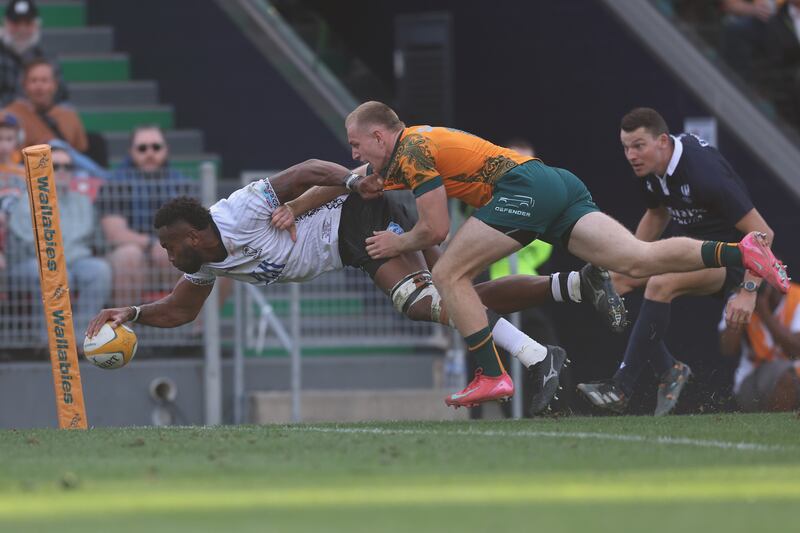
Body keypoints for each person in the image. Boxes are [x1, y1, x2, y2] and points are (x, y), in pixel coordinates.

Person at [339, 101, 788, 410]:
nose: (355, 153)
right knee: (635, 259)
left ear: (380, 136)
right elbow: (351, 179)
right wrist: (303, 201)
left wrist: (397, 244)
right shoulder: (403, 153)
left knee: (450, 275)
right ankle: (740, 250)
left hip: (523, 190)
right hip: (557, 183)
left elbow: (435, 230)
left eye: (358, 145)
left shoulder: (411, 150)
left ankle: (493, 374)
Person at [87, 160, 623, 413]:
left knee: (421, 303)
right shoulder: (202, 264)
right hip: (351, 246)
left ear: (197, 236)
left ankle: (541, 345)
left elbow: (303, 171)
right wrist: (131, 314)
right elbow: (181, 312)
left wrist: (351, 181)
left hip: (361, 216)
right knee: (457, 297)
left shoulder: (239, 211)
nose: (164, 252)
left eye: (168, 243)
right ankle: (570, 294)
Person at [577, 107, 781, 416]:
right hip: (692, 252)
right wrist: (628, 259)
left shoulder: (703, 174)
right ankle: (669, 369)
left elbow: (763, 234)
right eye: (625, 147)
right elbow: (657, 214)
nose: (631, 155)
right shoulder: (651, 172)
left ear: (662, 141)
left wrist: (748, 291)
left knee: (660, 282)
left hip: (732, 262)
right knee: (614, 285)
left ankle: (620, 388)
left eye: (638, 146)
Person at [6, 146, 111, 346]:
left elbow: (98, 241)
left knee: (100, 270)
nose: (63, 171)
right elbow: (22, 246)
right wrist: (56, 264)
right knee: (53, 274)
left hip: (75, 261)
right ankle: (48, 340)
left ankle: (82, 337)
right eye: (56, 166)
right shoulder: (26, 201)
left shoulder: (83, 202)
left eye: (67, 166)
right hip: (31, 263)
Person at [98, 125, 193, 306]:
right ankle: (126, 329)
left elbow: (192, 229)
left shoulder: (182, 184)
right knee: (129, 255)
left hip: (170, 260)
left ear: (166, 150)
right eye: (142, 148)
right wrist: (153, 244)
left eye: (156, 147)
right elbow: (115, 234)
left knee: (212, 257)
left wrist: (169, 247)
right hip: (130, 261)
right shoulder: (115, 185)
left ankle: (197, 331)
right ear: (130, 152)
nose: (150, 153)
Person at [720, 282, 800, 412]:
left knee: (787, 372)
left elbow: (796, 350)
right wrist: (740, 312)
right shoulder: (740, 299)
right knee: (784, 376)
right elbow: (728, 348)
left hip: (796, 373)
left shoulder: (796, 297)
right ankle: (776, 428)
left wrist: (764, 311)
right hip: (753, 379)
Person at [4, 58, 87, 151]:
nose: (39, 86)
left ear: (55, 85)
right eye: (33, 80)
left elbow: (81, 150)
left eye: (44, 80)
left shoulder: (69, 116)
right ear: (24, 85)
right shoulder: (9, 115)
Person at [0, 0, 68, 106]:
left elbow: (61, 94)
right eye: (16, 23)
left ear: (36, 25)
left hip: (39, 115)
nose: (22, 29)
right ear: (6, 24)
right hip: (4, 116)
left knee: (66, 109)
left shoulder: (46, 57)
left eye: (27, 23)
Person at [0, 110, 24, 272]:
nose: (3, 145)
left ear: (18, 141)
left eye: (9, 139)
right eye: (0, 139)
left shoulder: (24, 172)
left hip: (18, 236)